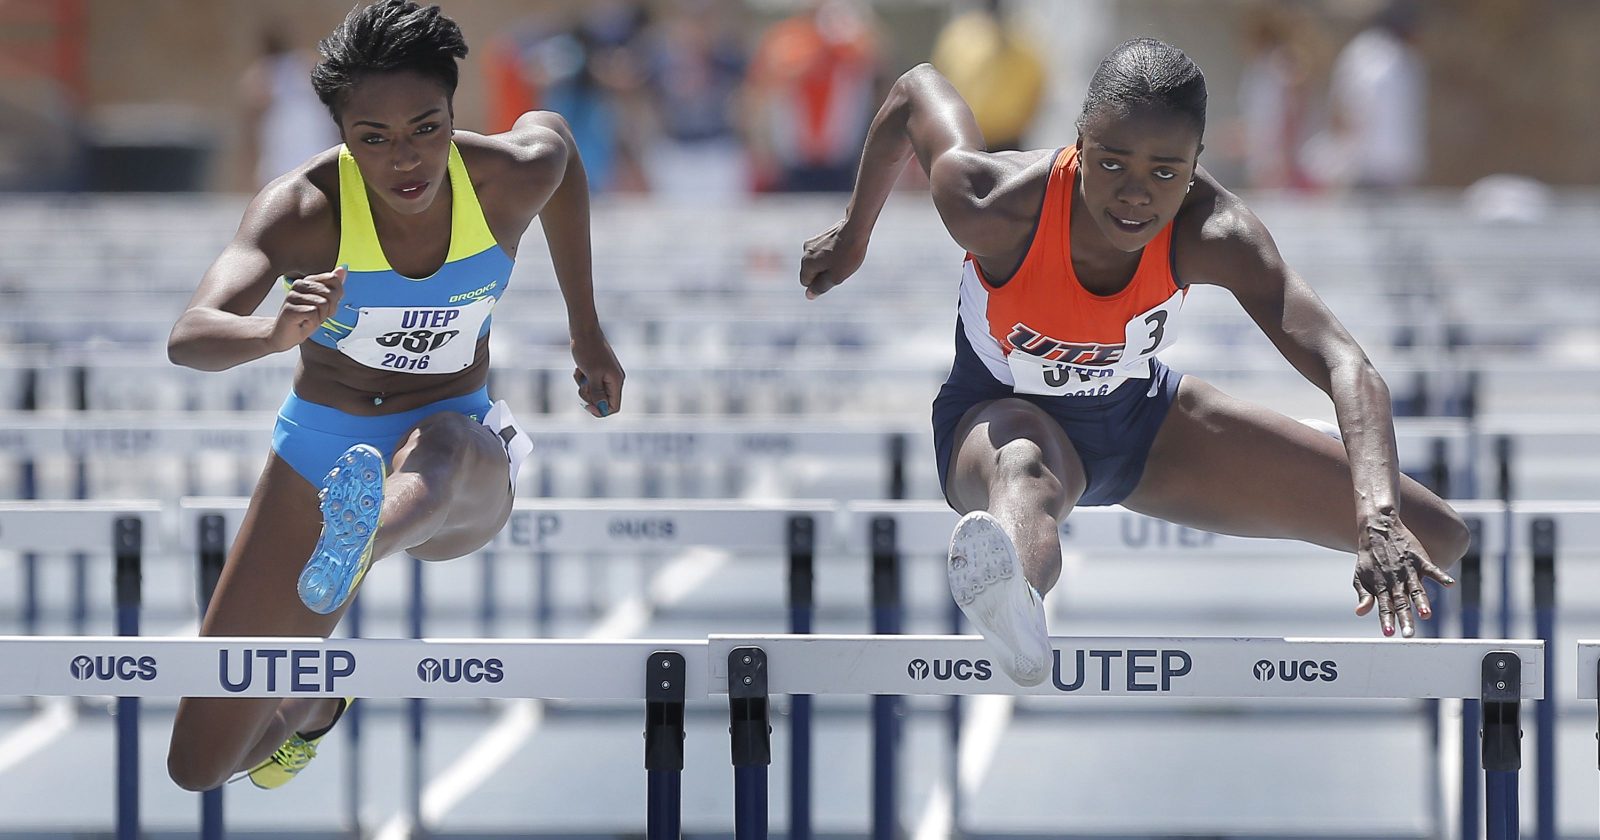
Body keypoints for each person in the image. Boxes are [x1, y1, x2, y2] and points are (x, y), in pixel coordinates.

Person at [799, 39, 1467, 686]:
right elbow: (915, 91)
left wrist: (1378, 515)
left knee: (1436, 535)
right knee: (1026, 470)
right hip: (997, 420)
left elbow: (1346, 363)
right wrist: (855, 234)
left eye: (1165, 173)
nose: (1135, 195)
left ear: (1196, 164)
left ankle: (1018, 584)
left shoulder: (1215, 231)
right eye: (1112, 164)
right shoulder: (994, 205)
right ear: (1079, 144)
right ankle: (1013, 600)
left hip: (1142, 425)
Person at [165, 0, 624, 790]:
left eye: (426, 128)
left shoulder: (506, 176)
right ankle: (315, 702)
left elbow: (559, 145)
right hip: (322, 445)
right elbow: (190, 334)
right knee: (200, 766)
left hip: (459, 453)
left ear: (453, 111)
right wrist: (272, 333)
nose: (405, 160)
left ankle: (362, 537)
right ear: (341, 135)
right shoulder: (303, 210)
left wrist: (587, 331)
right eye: (373, 139)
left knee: (438, 448)